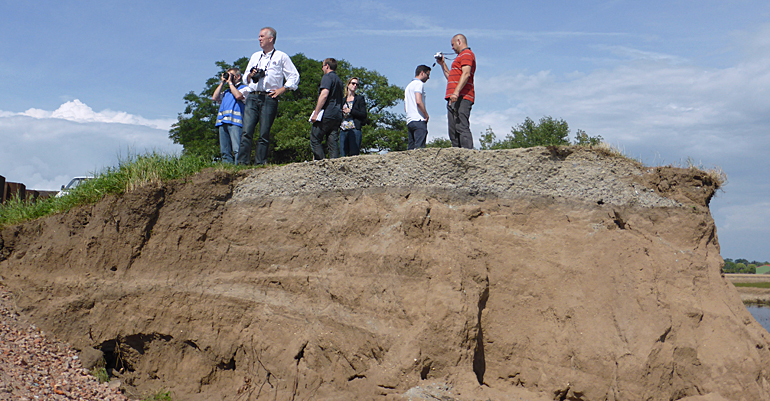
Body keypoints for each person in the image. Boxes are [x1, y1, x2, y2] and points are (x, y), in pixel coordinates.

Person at [237, 27, 300, 165]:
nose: (259, 39)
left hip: (269, 97)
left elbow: (294, 76)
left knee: (264, 133)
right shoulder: (255, 56)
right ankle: (241, 164)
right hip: (253, 96)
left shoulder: (281, 56)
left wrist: (282, 89)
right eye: (259, 36)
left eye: (261, 36)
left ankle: (260, 163)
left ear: (271, 39)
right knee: (247, 131)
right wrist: (250, 75)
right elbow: (244, 79)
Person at [436, 34, 476, 149]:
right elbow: (451, 77)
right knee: (453, 130)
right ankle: (456, 155)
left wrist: (456, 92)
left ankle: (468, 155)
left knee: (461, 127)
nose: (452, 48)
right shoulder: (459, 58)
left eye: (452, 45)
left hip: (463, 96)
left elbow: (466, 73)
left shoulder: (467, 54)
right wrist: (442, 64)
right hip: (453, 98)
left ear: (459, 41)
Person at [309, 58, 344, 160]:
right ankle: (335, 164)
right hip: (337, 114)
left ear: (327, 66)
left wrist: (316, 113)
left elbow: (324, 95)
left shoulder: (327, 77)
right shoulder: (339, 80)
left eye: (323, 66)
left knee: (315, 138)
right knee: (332, 141)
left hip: (327, 113)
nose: (322, 68)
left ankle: (320, 164)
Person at [212, 68, 249, 164]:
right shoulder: (226, 92)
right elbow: (214, 97)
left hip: (235, 122)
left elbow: (238, 96)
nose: (229, 77)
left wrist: (230, 83)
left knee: (237, 148)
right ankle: (227, 167)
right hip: (222, 121)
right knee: (225, 150)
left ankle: (240, 166)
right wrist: (222, 83)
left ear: (238, 76)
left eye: (231, 75)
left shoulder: (244, 88)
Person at [339, 77, 367, 156]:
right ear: (348, 85)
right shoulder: (342, 100)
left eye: (357, 84)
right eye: (353, 83)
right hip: (343, 130)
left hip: (354, 129)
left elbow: (363, 114)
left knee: (354, 155)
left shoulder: (359, 99)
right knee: (343, 155)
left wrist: (351, 111)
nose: (355, 86)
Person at [404, 65, 431, 150]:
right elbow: (418, 101)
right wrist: (426, 115)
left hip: (410, 120)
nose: (428, 78)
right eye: (427, 75)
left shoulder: (408, 87)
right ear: (422, 73)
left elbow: (406, 107)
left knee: (411, 148)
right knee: (420, 150)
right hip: (418, 119)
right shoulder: (419, 84)